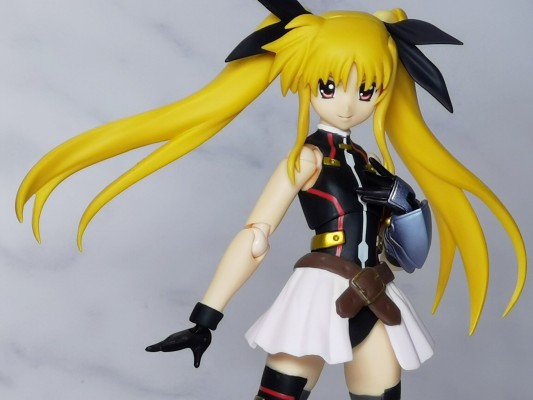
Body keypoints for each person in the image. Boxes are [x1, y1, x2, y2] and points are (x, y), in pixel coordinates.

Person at [16, 1, 526, 399]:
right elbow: (256, 236)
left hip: (377, 295)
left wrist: (405, 201)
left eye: (366, 89)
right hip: (321, 294)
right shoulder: (308, 159)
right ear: (309, 81)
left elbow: (408, 258)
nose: (349, 103)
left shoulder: (371, 165)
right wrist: (204, 319)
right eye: (331, 85)